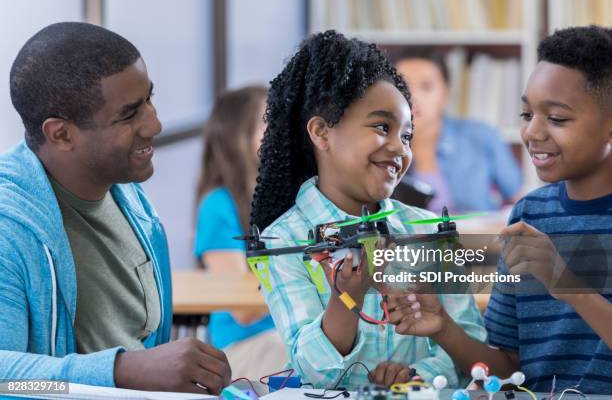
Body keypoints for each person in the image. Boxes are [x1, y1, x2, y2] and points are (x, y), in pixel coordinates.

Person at [0, 22, 230, 394]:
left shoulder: (131, 200)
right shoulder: (8, 225)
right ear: (61, 134)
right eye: (128, 115)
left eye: (149, 100)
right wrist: (121, 369)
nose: (155, 123)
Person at [250, 30, 486, 390]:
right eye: (381, 127)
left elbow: (470, 346)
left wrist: (419, 371)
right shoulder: (283, 239)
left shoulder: (429, 231)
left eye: (406, 135)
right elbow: (313, 370)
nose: (399, 149)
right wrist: (347, 296)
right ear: (321, 133)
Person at [386, 26, 612, 394]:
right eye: (526, 114)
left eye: (556, 118)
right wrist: (443, 326)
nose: (533, 132)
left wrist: (568, 285)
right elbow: (508, 366)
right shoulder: (530, 215)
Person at [194, 85, 286, 380]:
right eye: (266, 121)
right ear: (236, 134)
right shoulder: (217, 205)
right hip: (242, 348)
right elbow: (242, 309)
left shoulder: (284, 197)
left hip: (285, 338)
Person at [395, 51, 522, 213]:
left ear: (445, 93)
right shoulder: (382, 146)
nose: (413, 96)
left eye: (426, 87)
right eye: (402, 86)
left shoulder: (481, 136)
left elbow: (519, 199)